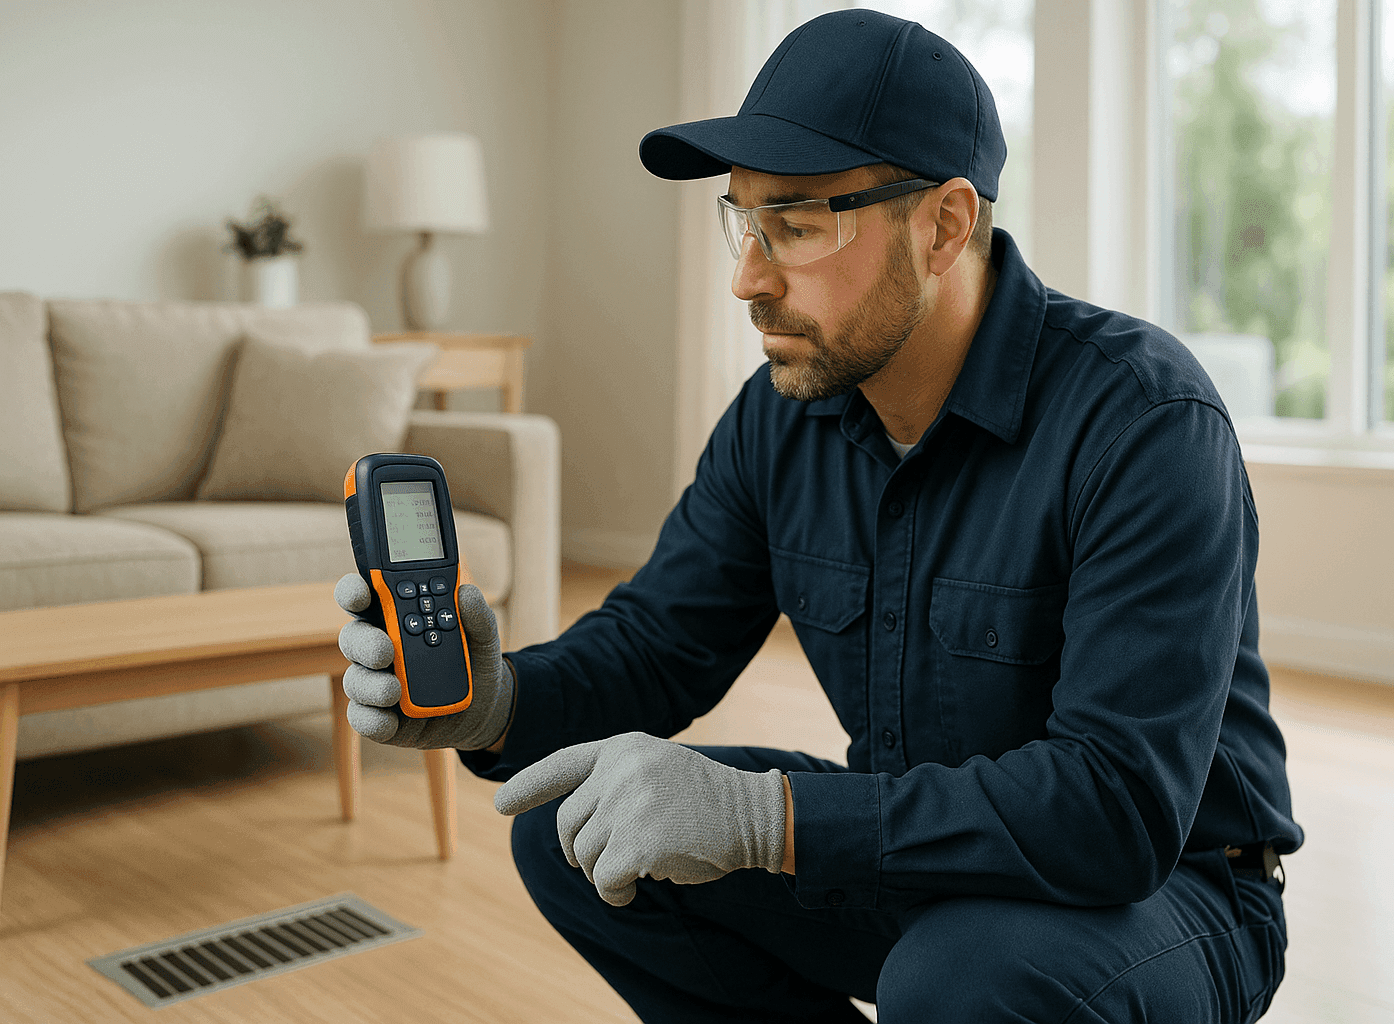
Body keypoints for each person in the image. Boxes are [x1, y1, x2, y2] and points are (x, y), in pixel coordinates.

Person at [335, 9, 1302, 1022]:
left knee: (959, 978)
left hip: (1170, 891)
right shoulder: (782, 416)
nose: (748, 278)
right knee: (577, 826)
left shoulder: (1143, 420)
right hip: (920, 856)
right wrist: (496, 702)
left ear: (945, 226)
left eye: (796, 225)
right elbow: (659, 644)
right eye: (744, 222)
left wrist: (766, 818)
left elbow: (1115, 810)